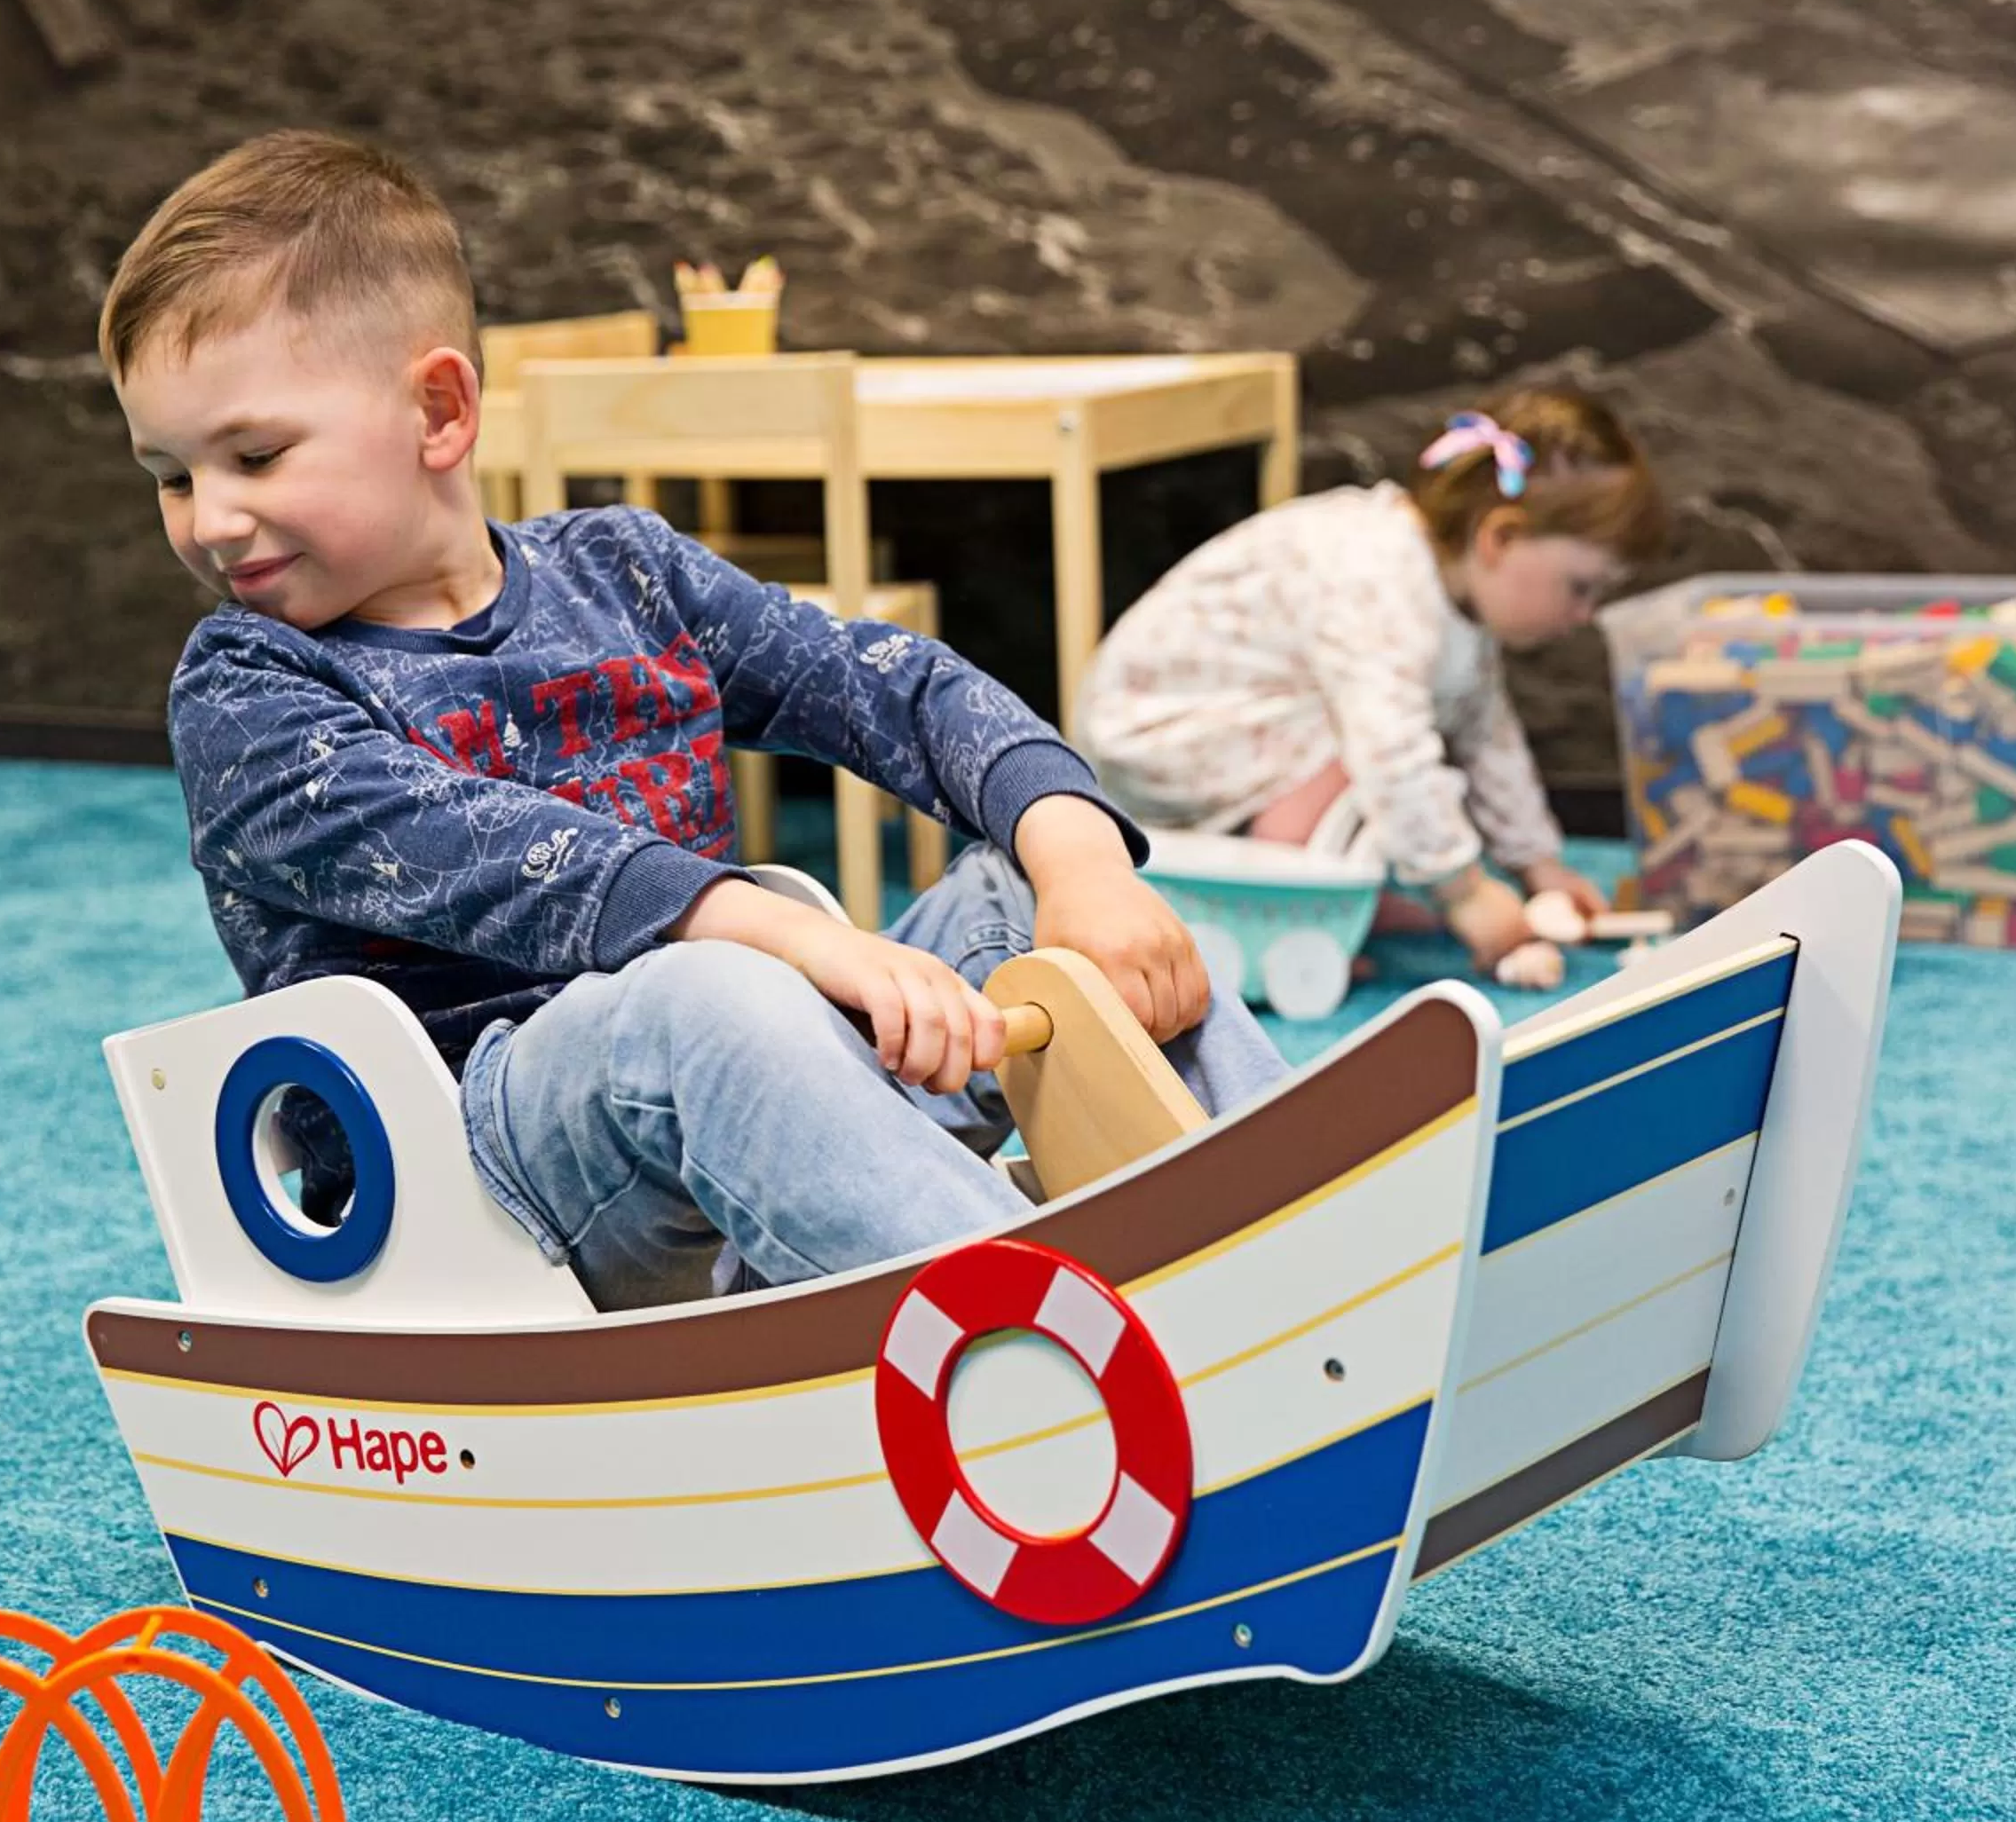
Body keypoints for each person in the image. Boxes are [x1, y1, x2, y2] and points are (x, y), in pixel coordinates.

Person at [98, 130, 1289, 1311]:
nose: (211, 519)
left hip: (744, 1068)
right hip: (481, 1174)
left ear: (440, 410)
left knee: (1029, 898)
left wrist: (1081, 862)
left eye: (256, 454)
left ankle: (1285, 1233)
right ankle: (1050, 1342)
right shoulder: (244, 691)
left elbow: (890, 684)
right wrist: (791, 940)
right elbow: (509, 858)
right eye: (174, 476)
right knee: (707, 993)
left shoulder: (624, 571)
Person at [1077, 390, 1669, 974]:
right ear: (1500, 539)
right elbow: (1392, 753)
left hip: (1225, 722)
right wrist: (1464, 892)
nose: (1585, 614)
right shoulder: (1380, 581)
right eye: (1580, 587)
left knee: (1403, 737)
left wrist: (1539, 865)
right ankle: (1298, 903)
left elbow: (1488, 736)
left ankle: (1339, 882)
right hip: (1155, 731)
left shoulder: (1455, 595)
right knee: (1384, 745)